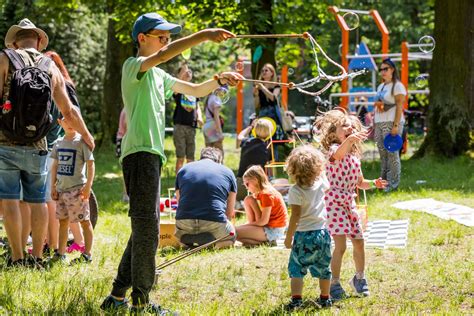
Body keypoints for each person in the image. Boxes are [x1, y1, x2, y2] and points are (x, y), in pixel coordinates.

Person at [99, 12, 242, 313]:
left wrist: (218, 80)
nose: (167, 39)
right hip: (138, 154)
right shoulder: (133, 66)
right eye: (160, 34)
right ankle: (141, 303)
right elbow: (164, 55)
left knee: (144, 227)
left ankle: (116, 297)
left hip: (150, 155)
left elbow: (193, 90)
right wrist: (204, 34)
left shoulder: (159, 76)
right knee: (147, 229)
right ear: (142, 38)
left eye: (168, 34)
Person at [0, 18, 94, 267]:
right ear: (39, 41)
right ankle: (38, 257)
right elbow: (69, 110)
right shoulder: (49, 65)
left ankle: (17, 257)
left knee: (10, 200)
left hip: (5, 143)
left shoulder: (4, 58)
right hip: (38, 145)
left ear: (15, 41)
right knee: (37, 201)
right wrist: (86, 135)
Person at [314, 109, 387, 300]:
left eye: (352, 126)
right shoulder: (332, 151)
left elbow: (359, 182)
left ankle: (359, 278)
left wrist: (373, 183)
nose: (350, 128)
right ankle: (334, 283)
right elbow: (338, 154)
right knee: (340, 246)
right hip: (333, 203)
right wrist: (349, 139)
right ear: (333, 134)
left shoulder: (355, 157)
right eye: (344, 126)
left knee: (359, 242)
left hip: (349, 202)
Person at [284, 145, 332, 310]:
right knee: (324, 267)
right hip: (322, 234)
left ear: (292, 169)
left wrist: (289, 236)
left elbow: (295, 216)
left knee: (296, 268)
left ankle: (296, 301)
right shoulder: (320, 184)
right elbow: (326, 181)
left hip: (303, 235)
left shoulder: (295, 191)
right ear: (317, 168)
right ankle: (325, 298)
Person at [50, 117, 95, 264]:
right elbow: (55, 166)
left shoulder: (82, 142)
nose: (69, 124)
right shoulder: (58, 143)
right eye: (65, 120)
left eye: (72, 120)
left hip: (77, 191)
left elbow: (90, 165)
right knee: (63, 222)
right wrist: (53, 186)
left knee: (84, 221)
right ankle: (61, 253)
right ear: (59, 122)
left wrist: (88, 186)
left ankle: (87, 254)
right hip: (61, 190)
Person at [174, 147, 236, 248]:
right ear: (219, 161)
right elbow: (229, 211)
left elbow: (179, 201)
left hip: (184, 222)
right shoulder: (228, 172)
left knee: (180, 236)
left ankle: (185, 243)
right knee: (231, 237)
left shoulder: (183, 169)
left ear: (201, 158)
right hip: (213, 221)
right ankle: (215, 244)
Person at [374, 58, 407, 192]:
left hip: (392, 122)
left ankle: (393, 185)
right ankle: (383, 184)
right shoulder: (380, 86)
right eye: (381, 69)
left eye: (385, 69)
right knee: (383, 154)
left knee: (392, 154)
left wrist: (395, 125)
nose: (383, 72)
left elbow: (399, 106)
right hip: (379, 122)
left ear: (392, 70)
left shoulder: (398, 85)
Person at [235, 165, 288, 246]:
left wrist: (246, 225)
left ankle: (267, 241)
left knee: (233, 233)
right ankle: (262, 242)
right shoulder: (262, 193)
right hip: (268, 227)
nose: (246, 187)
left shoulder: (266, 194)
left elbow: (263, 221)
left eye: (247, 184)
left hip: (273, 230)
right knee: (248, 199)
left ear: (255, 180)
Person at [172, 63, 203, 174]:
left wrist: (199, 117)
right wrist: (182, 75)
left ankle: (190, 181)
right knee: (180, 157)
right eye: (186, 71)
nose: (189, 72)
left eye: (190, 71)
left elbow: (197, 105)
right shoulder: (178, 89)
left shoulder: (194, 89)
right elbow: (175, 87)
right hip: (180, 126)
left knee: (191, 157)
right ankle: (178, 183)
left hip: (191, 126)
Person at [235, 118, 273, 202]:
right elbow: (269, 169)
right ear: (270, 133)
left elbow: (240, 136)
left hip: (241, 184)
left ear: (255, 130)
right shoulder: (267, 148)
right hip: (257, 186)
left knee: (241, 200)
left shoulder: (246, 142)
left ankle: (240, 204)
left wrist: (250, 127)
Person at [253, 63, 285, 140]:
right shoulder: (259, 87)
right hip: (262, 112)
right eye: (262, 71)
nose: (263, 72)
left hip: (273, 113)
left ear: (272, 73)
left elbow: (273, 98)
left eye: (266, 70)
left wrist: (262, 87)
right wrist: (256, 94)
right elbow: (257, 105)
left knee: (274, 137)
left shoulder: (276, 85)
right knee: (262, 136)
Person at [202, 88, 224, 156]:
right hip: (213, 126)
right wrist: (220, 133)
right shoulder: (215, 99)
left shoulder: (208, 98)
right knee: (219, 154)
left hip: (206, 126)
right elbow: (216, 117)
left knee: (208, 154)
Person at [116, 108, 129, 202]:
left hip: (125, 140)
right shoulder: (127, 110)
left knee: (126, 169)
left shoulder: (128, 108)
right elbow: (126, 127)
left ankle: (127, 194)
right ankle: (126, 194)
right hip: (124, 140)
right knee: (126, 169)